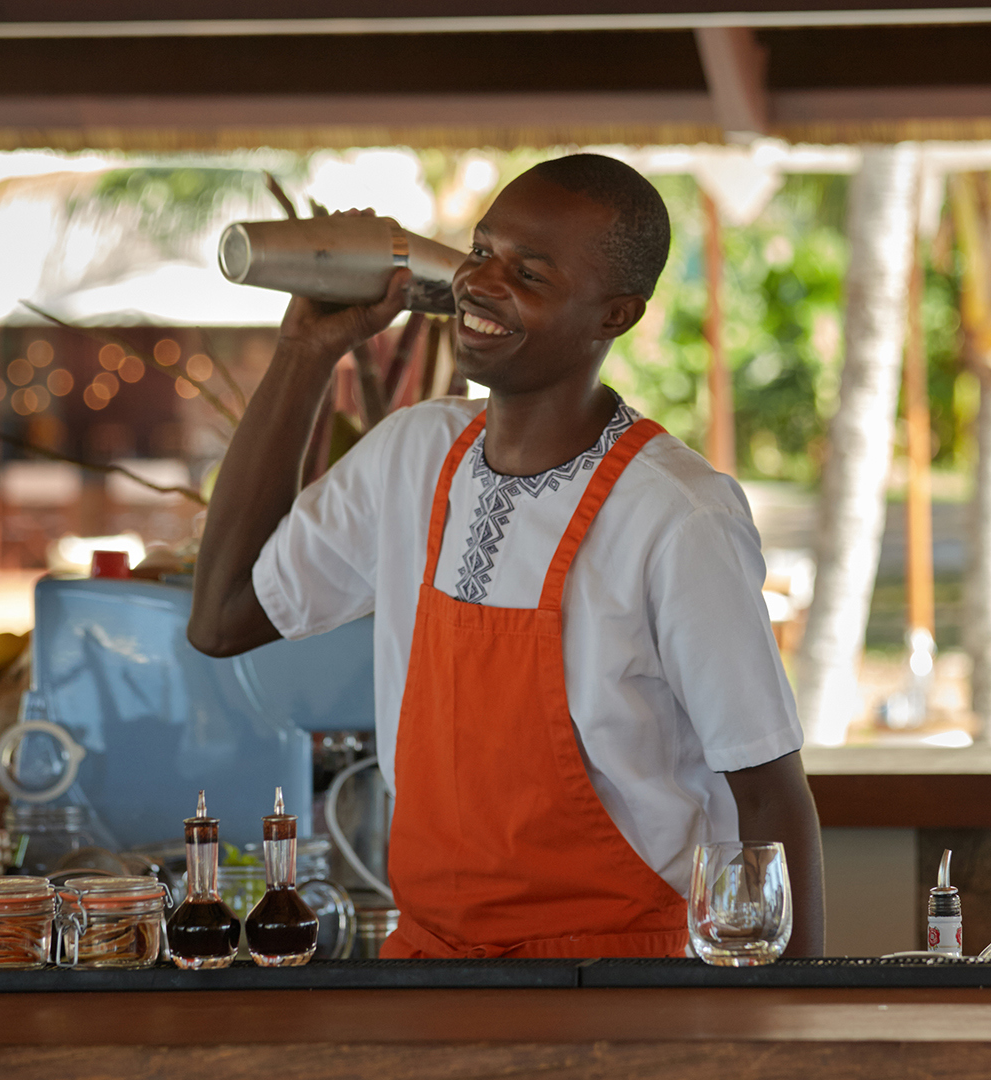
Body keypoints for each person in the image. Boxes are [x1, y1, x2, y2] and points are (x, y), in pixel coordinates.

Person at [189, 153, 823, 959]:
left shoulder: (676, 515)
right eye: (482, 251)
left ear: (615, 315)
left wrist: (796, 1026)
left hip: (625, 982)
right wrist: (303, 351)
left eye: (530, 273)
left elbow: (771, 799)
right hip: (431, 969)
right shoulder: (411, 457)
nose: (482, 283)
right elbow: (222, 619)